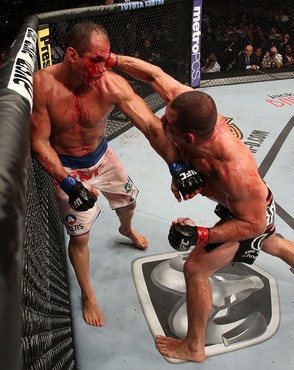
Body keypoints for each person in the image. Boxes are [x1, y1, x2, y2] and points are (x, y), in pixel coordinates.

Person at [114, 55, 294, 362]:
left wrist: (200, 234)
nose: (162, 121)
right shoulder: (190, 107)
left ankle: (194, 346)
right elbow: (154, 74)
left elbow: (252, 225)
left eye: (168, 123)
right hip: (251, 209)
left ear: (188, 136)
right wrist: (113, 59)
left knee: (196, 268)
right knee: (273, 244)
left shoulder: (235, 171)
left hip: (248, 216)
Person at [30, 21, 203, 328]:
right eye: (94, 60)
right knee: (80, 237)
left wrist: (177, 166)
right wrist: (67, 182)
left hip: (103, 158)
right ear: (71, 55)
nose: (101, 68)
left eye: (106, 60)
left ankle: (126, 229)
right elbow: (40, 142)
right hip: (67, 167)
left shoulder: (111, 84)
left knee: (129, 203)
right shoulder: (43, 86)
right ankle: (88, 295)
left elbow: (151, 126)